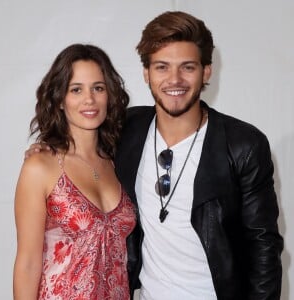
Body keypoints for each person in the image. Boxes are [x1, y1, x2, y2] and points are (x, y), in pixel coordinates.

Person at [25, 11, 283, 300]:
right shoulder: (128, 131)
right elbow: (81, 139)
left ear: (206, 71)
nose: (175, 79)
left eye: (188, 67)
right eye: (162, 67)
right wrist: (47, 146)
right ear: (146, 73)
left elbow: (264, 247)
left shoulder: (243, 145)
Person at [13, 44, 136, 299]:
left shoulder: (119, 162)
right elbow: (27, 264)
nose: (89, 99)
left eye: (98, 88)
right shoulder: (41, 166)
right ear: (59, 99)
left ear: (109, 95)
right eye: (76, 89)